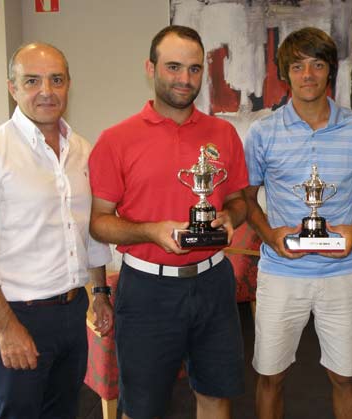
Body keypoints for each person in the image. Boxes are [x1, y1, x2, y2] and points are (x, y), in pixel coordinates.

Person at [88, 25, 248, 419]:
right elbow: (99, 223)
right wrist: (150, 231)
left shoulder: (223, 134)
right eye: (174, 67)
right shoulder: (116, 140)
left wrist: (231, 216)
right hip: (146, 290)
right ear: (151, 68)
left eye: (194, 70)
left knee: (216, 394)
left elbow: (240, 200)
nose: (185, 79)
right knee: (143, 407)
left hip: (213, 282)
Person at [0, 42, 113, 418]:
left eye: (56, 80)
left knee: (63, 412)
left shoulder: (82, 151)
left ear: (69, 84)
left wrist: (100, 292)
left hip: (72, 313)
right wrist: (7, 329)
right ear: (13, 87)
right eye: (32, 81)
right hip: (15, 314)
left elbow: (88, 233)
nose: (46, 91)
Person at [244, 27, 352, 419]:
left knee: (345, 378)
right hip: (281, 273)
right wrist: (269, 235)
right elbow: (247, 196)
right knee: (271, 376)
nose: (308, 74)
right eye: (298, 65)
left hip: (341, 273)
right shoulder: (262, 132)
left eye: (318, 65)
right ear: (284, 74)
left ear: (330, 72)